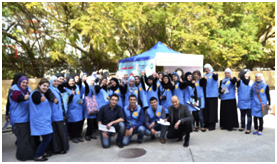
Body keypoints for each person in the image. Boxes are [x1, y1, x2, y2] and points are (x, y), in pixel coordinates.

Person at [9, 76, 39, 161]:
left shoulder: (28, 90)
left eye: (26, 83)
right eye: (23, 82)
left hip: (28, 118)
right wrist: (24, 98)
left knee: (30, 138)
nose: (25, 84)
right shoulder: (15, 91)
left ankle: (31, 154)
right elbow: (17, 98)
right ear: (19, 83)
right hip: (20, 120)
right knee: (23, 139)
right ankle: (22, 156)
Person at [29, 78, 55, 161]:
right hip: (40, 120)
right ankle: (38, 155)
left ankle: (42, 152)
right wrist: (40, 99)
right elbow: (36, 99)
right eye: (44, 85)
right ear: (39, 85)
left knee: (46, 137)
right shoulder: (36, 93)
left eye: (47, 86)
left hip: (44, 120)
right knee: (47, 137)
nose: (46, 87)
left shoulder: (41, 93)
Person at [47, 76, 69, 154]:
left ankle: (63, 147)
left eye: (57, 81)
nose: (56, 82)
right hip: (54, 115)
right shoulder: (49, 90)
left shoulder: (56, 89)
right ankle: (58, 149)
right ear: (50, 82)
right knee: (57, 132)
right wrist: (53, 100)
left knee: (61, 131)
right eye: (54, 81)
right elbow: (51, 97)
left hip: (60, 114)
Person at [64, 76, 84, 143]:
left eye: (72, 81)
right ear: (67, 82)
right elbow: (67, 101)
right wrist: (72, 95)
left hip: (79, 108)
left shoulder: (77, 88)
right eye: (70, 81)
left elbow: (79, 97)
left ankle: (79, 135)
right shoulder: (66, 89)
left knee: (79, 123)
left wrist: (81, 101)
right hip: (72, 109)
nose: (72, 82)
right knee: (74, 124)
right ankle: (74, 136)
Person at [237, 69, 253, 134]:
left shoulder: (251, 81)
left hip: (249, 101)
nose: (248, 74)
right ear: (243, 74)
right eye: (246, 73)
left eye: (249, 73)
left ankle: (248, 128)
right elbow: (235, 81)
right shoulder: (239, 81)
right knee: (242, 115)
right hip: (242, 101)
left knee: (249, 115)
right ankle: (242, 126)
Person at [203, 64, 218, 131]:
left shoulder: (213, 74)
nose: (207, 70)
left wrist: (215, 75)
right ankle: (207, 123)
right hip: (206, 95)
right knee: (207, 110)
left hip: (213, 95)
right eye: (205, 69)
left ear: (210, 68)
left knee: (212, 111)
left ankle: (212, 125)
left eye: (208, 68)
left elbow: (215, 78)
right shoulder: (205, 76)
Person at [84, 76, 98, 141]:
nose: (93, 82)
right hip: (90, 107)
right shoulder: (87, 87)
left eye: (93, 80)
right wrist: (85, 81)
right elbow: (86, 88)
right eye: (91, 80)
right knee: (89, 122)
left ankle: (90, 134)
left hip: (93, 107)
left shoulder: (93, 87)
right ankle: (87, 135)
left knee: (92, 122)